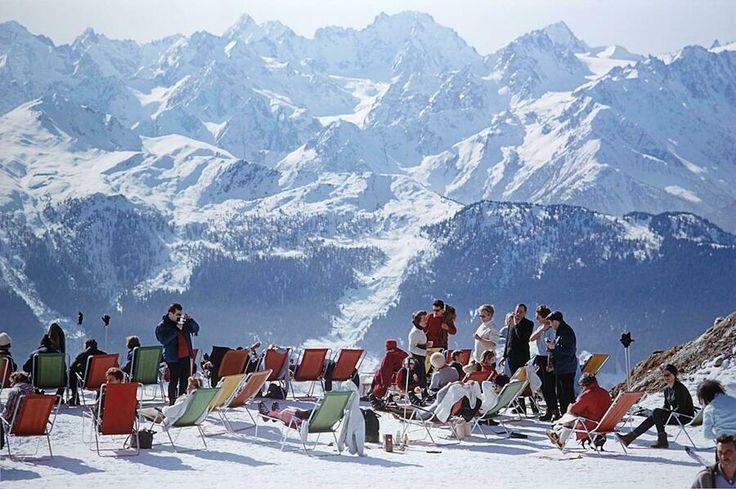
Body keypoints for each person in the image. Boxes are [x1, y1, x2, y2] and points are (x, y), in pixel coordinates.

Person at [617, 363, 695, 448]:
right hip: (675, 415)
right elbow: (666, 406)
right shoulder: (667, 390)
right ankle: (630, 438)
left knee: (656, 412)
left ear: (674, 375)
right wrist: (663, 412)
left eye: (668, 375)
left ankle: (662, 441)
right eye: (664, 375)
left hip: (685, 417)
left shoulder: (680, 388)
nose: (666, 377)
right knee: (654, 415)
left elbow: (681, 408)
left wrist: (664, 413)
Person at [546, 373, 612, 449]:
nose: (581, 388)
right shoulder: (605, 392)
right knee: (571, 418)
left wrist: (570, 405)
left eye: (581, 386)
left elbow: (573, 409)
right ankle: (558, 436)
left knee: (570, 419)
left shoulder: (587, 394)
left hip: (591, 424)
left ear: (584, 384)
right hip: (604, 423)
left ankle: (560, 441)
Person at [155, 303, 200, 405]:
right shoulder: (162, 326)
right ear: (170, 313)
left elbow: (196, 329)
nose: (179, 317)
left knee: (185, 380)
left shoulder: (182, 323)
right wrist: (176, 330)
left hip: (185, 355)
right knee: (174, 380)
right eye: (177, 314)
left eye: (180, 314)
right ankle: (172, 401)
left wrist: (190, 320)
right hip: (173, 357)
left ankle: (182, 400)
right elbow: (164, 340)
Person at [501, 304, 533, 413]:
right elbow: (508, 341)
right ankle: (520, 405)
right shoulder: (511, 324)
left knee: (524, 381)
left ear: (524, 313)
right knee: (514, 381)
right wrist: (504, 356)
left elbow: (523, 339)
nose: (518, 314)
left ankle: (532, 404)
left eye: (520, 312)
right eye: (516, 311)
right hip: (511, 357)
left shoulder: (528, 324)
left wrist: (517, 325)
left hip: (522, 357)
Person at [530, 304, 559, 421]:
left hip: (548, 358)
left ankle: (554, 410)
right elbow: (531, 338)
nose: (536, 319)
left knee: (549, 386)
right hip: (539, 358)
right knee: (543, 386)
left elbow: (553, 343)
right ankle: (549, 408)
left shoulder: (551, 330)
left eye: (538, 316)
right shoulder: (541, 328)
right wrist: (542, 329)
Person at [545, 310, 578, 415]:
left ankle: (569, 416)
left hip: (566, 368)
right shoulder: (560, 331)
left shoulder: (566, 331)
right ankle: (565, 416)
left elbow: (569, 350)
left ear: (555, 321)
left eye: (550, 322)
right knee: (561, 394)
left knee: (566, 395)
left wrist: (555, 347)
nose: (550, 325)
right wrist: (552, 348)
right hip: (561, 368)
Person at [0, 371, 34, 449]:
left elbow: (8, 412)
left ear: (15, 380)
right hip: (34, 425)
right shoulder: (33, 392)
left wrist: (2, 416)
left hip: (17, 426)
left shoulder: (15, 391)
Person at [68, 338, 107, 406]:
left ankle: (75, 397)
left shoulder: (83, 355)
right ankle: (100, 398)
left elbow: (72, 367)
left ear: (86, 346)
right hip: (101, 382)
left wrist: (79, 368)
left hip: (86, 382)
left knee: (72, 373)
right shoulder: (104, 355)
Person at [407, 310, 429, 388]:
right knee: (420, 376)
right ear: (418, 320)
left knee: (424, 375)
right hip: (417, 358)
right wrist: (425, 352)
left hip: (422, 357)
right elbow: (412, 348)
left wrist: (426, 344)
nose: (426, 320)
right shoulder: (414, 332)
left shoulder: (420, 329)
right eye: (424, 319)